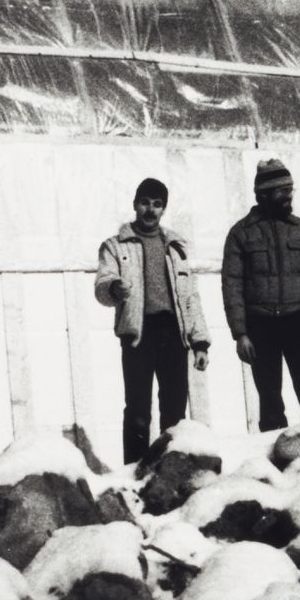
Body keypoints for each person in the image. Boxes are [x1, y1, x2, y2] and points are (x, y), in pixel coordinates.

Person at [95, 177, 211, 464]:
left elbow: (190, 297)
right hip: (139, 335)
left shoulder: (175, 246)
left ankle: (170, 468)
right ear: (135, 205)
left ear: (164, 209)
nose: (150, 210)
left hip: (172, 334)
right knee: (137, 410)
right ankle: (133, 472)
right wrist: (114, 288)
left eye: (157, 204)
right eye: (145, 203)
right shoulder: (115, 245)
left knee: (174, 409)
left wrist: (200, 342)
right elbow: (102, 283)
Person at [222, 158, 300, 430]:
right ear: (263, 195)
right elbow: (232, 285)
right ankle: (276, 465)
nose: (289, 196)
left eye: (291, 190)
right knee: (271, 405)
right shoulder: (241, 234)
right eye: (282, 191)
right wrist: (240, 334)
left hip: (298, 323)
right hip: (260, 327)